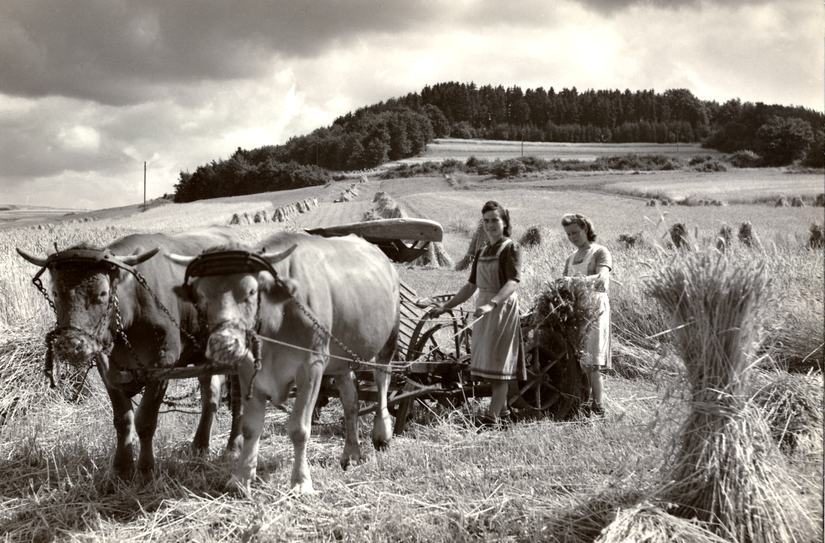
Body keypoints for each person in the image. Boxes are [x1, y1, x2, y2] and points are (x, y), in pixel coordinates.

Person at [429, 201, 525, 426]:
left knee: (498, 363)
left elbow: (513, 282)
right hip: (483, 308)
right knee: (487, 361)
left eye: (495, 220)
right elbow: (470, 286)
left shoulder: (511, 248)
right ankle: (502, 414)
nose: (490, 225)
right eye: (487, 221)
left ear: (505, 223)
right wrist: (446, 307)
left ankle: (491, 420)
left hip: (501, 307)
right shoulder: (482, 251)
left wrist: (492, 303)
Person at [561, 213, 612, 418]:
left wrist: (573, 281)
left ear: (585, 228)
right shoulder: (570, 258)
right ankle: (579, 401)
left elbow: (602, 279)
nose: (572, 237)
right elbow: (564, 283)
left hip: (594, 308)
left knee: (591, 360)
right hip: (575, 309)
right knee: (575, 359)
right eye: (568, 234)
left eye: (575, 232)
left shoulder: (600, 252)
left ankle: (598, 407)